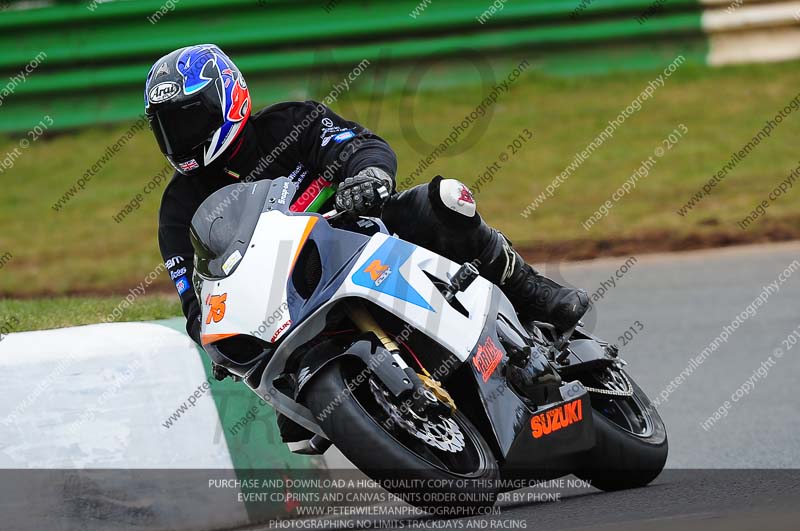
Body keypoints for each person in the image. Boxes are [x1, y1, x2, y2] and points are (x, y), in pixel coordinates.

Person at [149, 44, 589, 359]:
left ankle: (531, 291)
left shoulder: (291, 124)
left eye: (189, 121)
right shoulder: (178, 208)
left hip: (363, 239)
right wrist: (212, 331)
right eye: (168, 128)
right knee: (281, 409)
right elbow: (195, 302)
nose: (181, 139)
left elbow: (360, 147)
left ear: (228, 98)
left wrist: (369, 177)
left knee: (445, 199)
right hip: (289, 305)